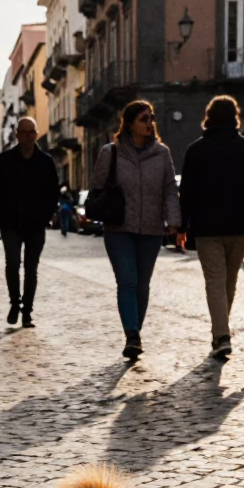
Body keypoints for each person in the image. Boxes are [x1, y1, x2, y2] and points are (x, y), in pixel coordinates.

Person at [178, 94, 244, 361]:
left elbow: (187, 193)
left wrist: (181, 227)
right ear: (235, 118)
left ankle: (221, 335)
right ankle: (221, 334)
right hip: (239, 227)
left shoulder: (196, 150)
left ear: (209, 117)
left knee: (216, 283)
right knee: (229, 283)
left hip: (207, 228)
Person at [92, 100, 181, 360]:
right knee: (127, 282)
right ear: (129, 123)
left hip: (151, 230)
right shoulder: (111, 152)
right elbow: (98, 186)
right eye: (143, 119)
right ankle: (132, 334)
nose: (149, 123)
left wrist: (174, 222)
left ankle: (135, 333)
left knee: (142, 286)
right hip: (119, 228)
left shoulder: (162, 153)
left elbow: (169, 190)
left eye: (151, 118)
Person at [0, 117, 60, 327]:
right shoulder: (4, 160)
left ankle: (27, 311)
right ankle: (14, 303)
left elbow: (53, 193)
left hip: (36, 225)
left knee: (31, 268)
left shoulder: (46, 162)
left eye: (31, 132)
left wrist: (46, 215)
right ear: (16, 134)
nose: (27, 136)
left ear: (35, 134)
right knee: (12, 264)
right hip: (10, 223)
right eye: (23, 132)